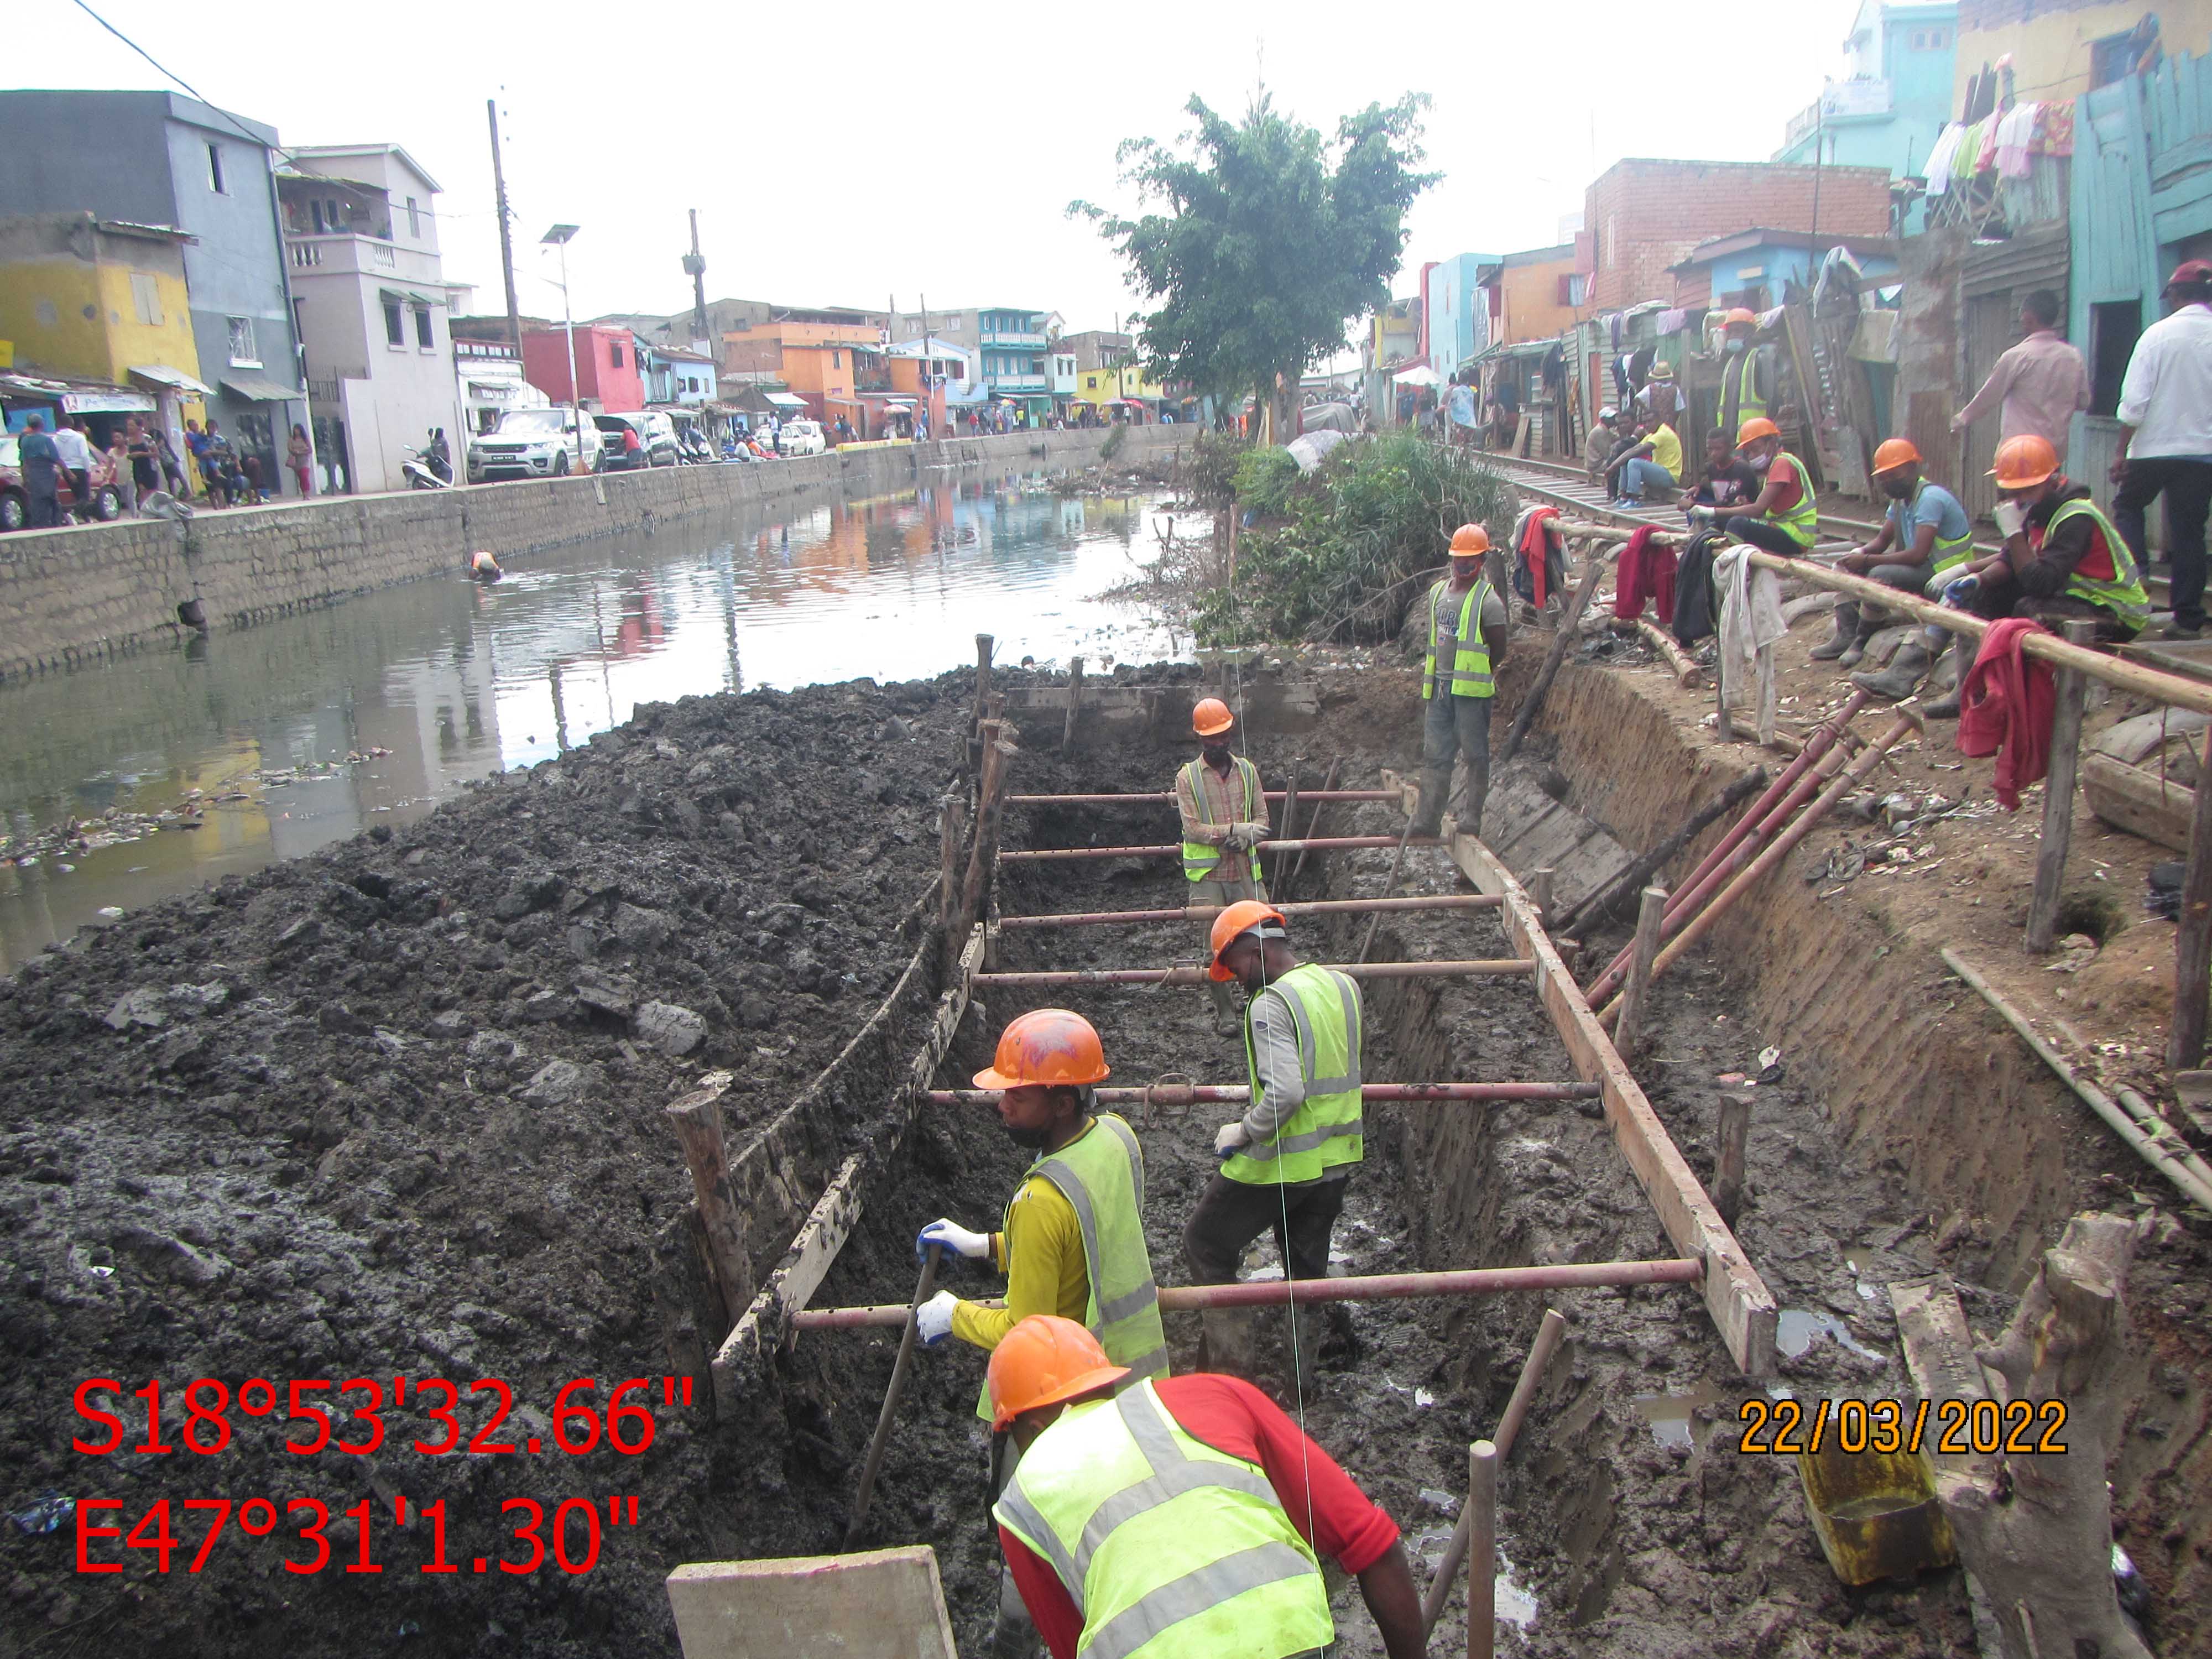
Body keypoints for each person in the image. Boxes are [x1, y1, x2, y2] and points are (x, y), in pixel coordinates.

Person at [913, 1009, 1166, 1659]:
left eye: (1017, 1094)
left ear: (1060, 1100)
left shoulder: (1039, 1199)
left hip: (1055, 1401)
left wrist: (953, 1314)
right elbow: (1082, 1241)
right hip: (1132, 1379)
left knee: (1028, 1532)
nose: (1002, 1104)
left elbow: (1023, 1329)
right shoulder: (1115, 1138)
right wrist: (987, 1247)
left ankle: (1015, 1640)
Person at [987, 1316, 1425, 1659]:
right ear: (1104, 1381)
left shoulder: (1023, 1499)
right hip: (1293, 1639)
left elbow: (1072, 1645)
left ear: (1031, 1426)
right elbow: (1372, 1545)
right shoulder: (1216, 1395)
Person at [1183, 902, 1366, 1368]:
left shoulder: (1272, 1004)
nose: (1240, 980)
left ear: (1254, 948)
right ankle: (1299, 1379)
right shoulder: (1342, 985)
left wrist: (1243, 1131)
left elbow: (1285, 1093)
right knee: (1307, 1276)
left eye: (1238, 966)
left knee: (1205, 1243)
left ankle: (1231, 1372)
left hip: (1286, 1161)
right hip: (1338, 1158)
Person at [1856, 434, 2148, 710]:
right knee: (1984, 596)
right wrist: (1976, 579)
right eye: (2013, 492)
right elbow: (2012, 560)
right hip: (2075, 597)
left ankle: (2019, 698)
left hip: (2114, 612)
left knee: (2027, 610)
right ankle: (1969, 691)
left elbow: (2040, 583)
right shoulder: (2038, 508)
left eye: (2027, 490)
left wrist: (2013, 533)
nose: (2020, 500)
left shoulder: (2076, 518)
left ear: (2053, 480)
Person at [2111, 259, 2212, 637]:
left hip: (2153, 448)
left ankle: (2137, 586)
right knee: (2189, 531)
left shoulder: (2157, 335)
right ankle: (2187, 619)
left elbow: (2134, 403)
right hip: (2202, 452)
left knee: (2128, 506)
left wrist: (2121, 450)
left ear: (2175, 295)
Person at [1814, 438, 1973, 666]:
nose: (1889, 482)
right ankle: (1846, 634)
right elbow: (1881, 541)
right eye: (1884, 477)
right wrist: (1856, 555)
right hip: (1925, 568)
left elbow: (1918, 554)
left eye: (1895, 475)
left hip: (1944, 573)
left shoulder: (1930, 499)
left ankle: (1862, 637)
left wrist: (1867, 560)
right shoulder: (1900, 502)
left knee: (1881, 574)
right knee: (1854, 568)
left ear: (1911, 469)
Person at [1176, 698, 1270, 1034]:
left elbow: (1262, 819)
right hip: (1209, 876)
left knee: (1263, 937)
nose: (1219, 743)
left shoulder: (1247, 770)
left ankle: (1262, 1005)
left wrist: (1246, 836)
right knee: (1214, 946)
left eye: (1223, 736)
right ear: (1200, 739)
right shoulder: (1188, 778)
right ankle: (1226, 1013)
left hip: (1245, 870)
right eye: (1211, 738)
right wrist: (1228, 833)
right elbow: (1192, 828)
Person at [1410, 523, 1506, 838]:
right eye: (1459, 562)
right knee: (1436, 755)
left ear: (1482, 562)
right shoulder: (1438, 593)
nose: (1464, 568)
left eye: (1472, 563)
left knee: (1475, 755)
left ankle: (1472, 818)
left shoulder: (1488, 602)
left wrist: (1475, 675)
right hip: (1440, 689)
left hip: (1471, 693)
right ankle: (1426, 821)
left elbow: (1498, 648)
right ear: (1452, 560)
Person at [1950, 289, 2089, 468]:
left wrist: (1959, 420)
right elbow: (2083, 402)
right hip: (2052, 457)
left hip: (2019, 456)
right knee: (2049, 496)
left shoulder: (2016, 357)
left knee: (2014, 495)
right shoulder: (2073, 357)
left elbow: (1989, 397)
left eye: (2022, 316)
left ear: (2028, 318)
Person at [1722, 418, 1820, 556]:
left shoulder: (1783, 463)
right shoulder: (1776, 465)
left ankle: (1733, 565)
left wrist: (1713, 511)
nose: (1752, 456)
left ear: (1772, 443)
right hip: (1786, 530)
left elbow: (1758, 509)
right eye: (1748, 452)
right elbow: (1768, 510)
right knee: (1729, 521)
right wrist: (1746, 505)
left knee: (1737, 524)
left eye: (1755, 449)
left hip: (1796, 537)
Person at [1717, 308, 1773, 437]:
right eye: (1730, 332)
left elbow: (1772, 401)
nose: (1732, 336)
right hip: (1730, 439)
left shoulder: (1760, 359)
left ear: (1751, 333)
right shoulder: (1729, 365)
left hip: (1755, 439)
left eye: (1738, 331)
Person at [1611, 413, 1683, 508]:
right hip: (1660, 473)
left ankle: (1634, 500)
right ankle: (1624, 498)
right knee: (1626, 461)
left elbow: (1638, 451)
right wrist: (1613, 465)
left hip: (1670, 476)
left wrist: (1612, 467)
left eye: (1650, 421)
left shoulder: (1663, 434)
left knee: (1634, 463)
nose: (1647, 425)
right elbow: (1632, 450)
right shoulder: (1652, 435)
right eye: (1645, 422)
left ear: (1659, 420)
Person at [1690, 427, 1764, 517]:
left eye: (1718, 449)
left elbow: (1729, 503)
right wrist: (1695, 490)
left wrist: (1693, 505)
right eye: (1710, 449)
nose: (1713, 453)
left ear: (1730, 448)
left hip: (1740, 515)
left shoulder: (1741, 469)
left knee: (1694, 507)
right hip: (1721, 512)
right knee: (1695, 496)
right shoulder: (1711, 468)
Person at [17, 414, 62, 529]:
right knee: (52, 498)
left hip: (33, 474)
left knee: (36, 501)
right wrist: (69, 473)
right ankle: (55, 523)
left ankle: (38, 525)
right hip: (47, 473)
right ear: (41, 424)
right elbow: (56, 458)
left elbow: (24, 462)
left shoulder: (25, 441)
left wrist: (24, 478)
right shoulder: (46, 440)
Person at [51, 414, 95, 522]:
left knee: (78, 495)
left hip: (66, 470)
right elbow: (85, 455)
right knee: (85, 496)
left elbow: (56, 456)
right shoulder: (80, 437)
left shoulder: (55, 439)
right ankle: (73, 513)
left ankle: (86, 518)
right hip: (80, 468)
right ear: (71, 424)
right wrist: (88, 470)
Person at [106, 425, 135, 517]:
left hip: (131, 477)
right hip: (120, 479)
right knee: (123, 499)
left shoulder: (130, 450)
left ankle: (135, 516)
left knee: (131, 497)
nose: (116, 439)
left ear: (124, 438)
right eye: (114, 438)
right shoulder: (111, 452)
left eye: (118, 437)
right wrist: (107, 478)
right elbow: (110, 467)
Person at [285, 424, 311, 498]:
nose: (296, 432)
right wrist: (296, 452)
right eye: (295, 430)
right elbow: (290, 449)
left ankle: (307, 494)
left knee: (305, 476)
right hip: (296, 461)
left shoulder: (305, 439)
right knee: (301, 478)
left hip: (304, 460)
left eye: (298, 430)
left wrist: (301, 452)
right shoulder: (291, 440)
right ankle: (304, 494)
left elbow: (310, 450)